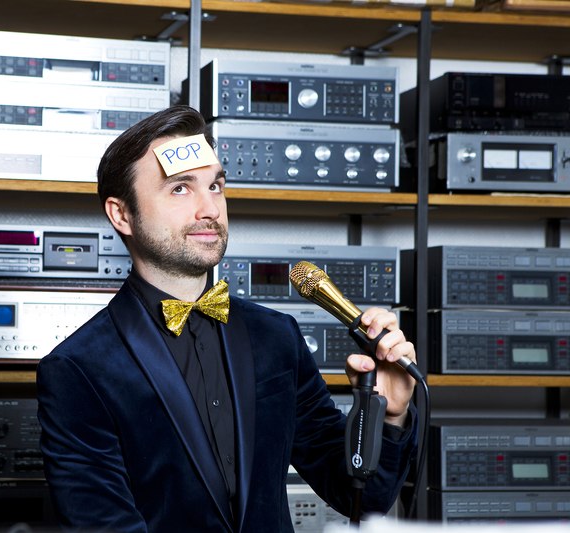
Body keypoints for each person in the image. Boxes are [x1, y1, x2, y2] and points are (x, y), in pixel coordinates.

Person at [36, 105, 418, 532]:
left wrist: (389, 414)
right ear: (121, 214)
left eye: (215, 186)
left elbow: (360, 495)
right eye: (180, 189)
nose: (210, 210)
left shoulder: (277, 337)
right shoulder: (77, 369)